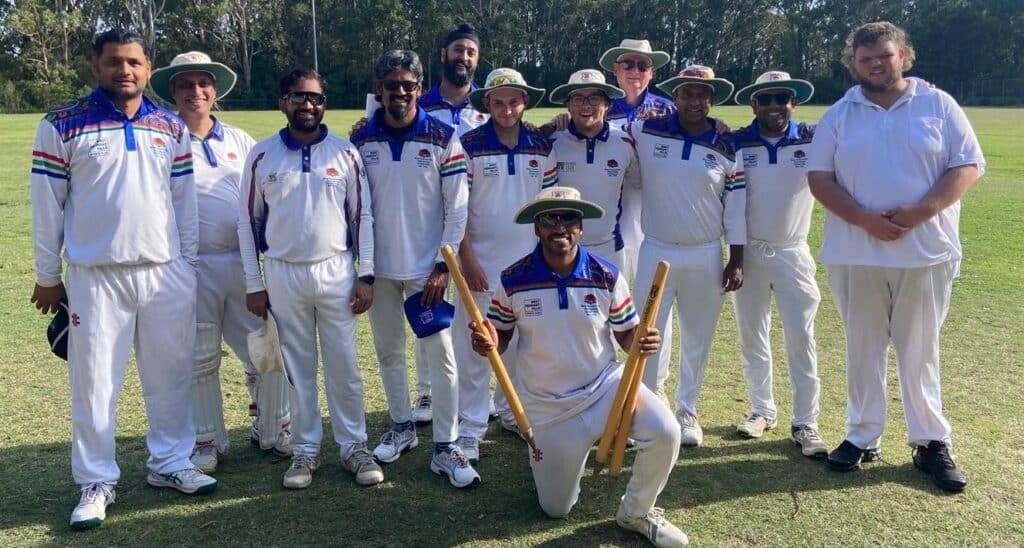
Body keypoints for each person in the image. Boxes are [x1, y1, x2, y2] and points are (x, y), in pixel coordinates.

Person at [29, 29, 217, 531]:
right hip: (96, 275)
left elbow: (184, 204)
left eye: (134, 62)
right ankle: (96, 480)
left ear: (148, 68)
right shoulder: (62, 123)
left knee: (171, 375)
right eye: (114, 62)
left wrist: (187, 265)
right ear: (97, 64)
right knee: (94, 383)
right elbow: (47, 206)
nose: (125, 71)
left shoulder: (169, 126)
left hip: (164, 271)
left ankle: (171, 462)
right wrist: (49, 275)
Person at [807, 22, 982, 492]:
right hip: (855, 252)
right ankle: (862, 436)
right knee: (862, 347)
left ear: (903, 55)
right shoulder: (840, 113)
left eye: (884, 56)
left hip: (925, 251)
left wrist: (922, 212)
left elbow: (967, 165)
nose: (876, 65)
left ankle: (930, 442)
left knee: (919, 350)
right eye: (865, 60)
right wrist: (865, 220)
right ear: (854, 64)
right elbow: (819, 179)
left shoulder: (938, 104)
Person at [470, 187, 687, 548]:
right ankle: (560, 456)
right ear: (537, 227)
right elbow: (500, 338)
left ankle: (636, 511)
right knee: (556, 509)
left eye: (569, 218)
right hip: (549, 407)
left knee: (667, 431)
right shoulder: (512, 279)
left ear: (581, 227)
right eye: (549, 218)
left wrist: (643, 343)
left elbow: (627, 337)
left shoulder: (606, 275)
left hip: (606, 389)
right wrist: (486, 342)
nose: (560, 227)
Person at [238, 67, 382, 489]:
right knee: (299, 369)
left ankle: (354, 446)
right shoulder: (262, 155)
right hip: (283, 273)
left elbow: (362, 215)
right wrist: (254, 282)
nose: (307, 105)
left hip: (335, 270)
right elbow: (248, 222)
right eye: (298, 97)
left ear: (325, 104)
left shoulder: (345, 153)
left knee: (344, 366)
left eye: (315, 98)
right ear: (283, 102)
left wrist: (366, 273)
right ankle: (305, 450)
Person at [150, 51, 293, 475]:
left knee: (266, 349)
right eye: (185, 85)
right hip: (188, 266)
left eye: (203, 84)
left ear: (215, 90)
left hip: (242, 263)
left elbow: (260, 201)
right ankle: (206, 439)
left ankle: (274, 428)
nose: (196, 92)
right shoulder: (162, 138)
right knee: (199, 356)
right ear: (173, 92)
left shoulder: (240, 141)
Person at [351, 50, 478, 488]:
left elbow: (456, 208)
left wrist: (444, 265)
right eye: (392, 85)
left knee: (441, 356)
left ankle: (446, 445)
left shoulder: (445, 137)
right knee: (388, 352)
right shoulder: (362, 140)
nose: (400, 92)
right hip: (380, 270)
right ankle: (403, 426)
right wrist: (364, 269)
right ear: (380, 90)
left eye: (408, 85)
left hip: (429, 272)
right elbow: (356, 207)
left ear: (419, 88)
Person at [628, 65, 745, 447]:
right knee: (647, 333)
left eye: (703, 94)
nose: (695, 100)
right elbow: (602, 126)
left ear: (712, 99)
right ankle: (645, 410)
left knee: (698, 335)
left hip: (706, 252)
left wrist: (736, 259)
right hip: (656, 249)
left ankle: (687, 409)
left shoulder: (727, 145)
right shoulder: (647, 130)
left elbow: (736, 208)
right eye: (687, 93)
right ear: (675, 96)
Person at [454, 68, 558, 462]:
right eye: (498, 102)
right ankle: (470, 427)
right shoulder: (469, 144)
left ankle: (509, 411)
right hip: (480, 265)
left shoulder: (541, 145)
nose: (507, 109)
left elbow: (548, 210)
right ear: (487, 105)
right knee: (476, 347)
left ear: (524, 102)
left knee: (519, 345)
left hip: (526, 268)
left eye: (514, 101)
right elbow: (457, 208)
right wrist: (467, 259)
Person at [729, 71, 826, 457]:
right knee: (753, 336)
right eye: (765, 99)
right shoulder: (736, 141)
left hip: (793, 251)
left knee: (801, 338)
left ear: (793, 102)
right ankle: (761, 409)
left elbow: (857, 129)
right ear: (754, 104)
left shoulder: (812, 138)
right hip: (748, 252)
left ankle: (806, 422)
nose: (774, 106)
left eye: (781, 98)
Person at [548, 69, 639, 271]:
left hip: (610, 249)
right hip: (560, 248)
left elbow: (640, 185)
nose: (586, 105)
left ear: (607, 105)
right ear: (568, 105)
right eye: (578, 98)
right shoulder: (552, 142)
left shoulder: (625, 142)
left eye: (594, 98)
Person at [419, 23, 489, 136]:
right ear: (443, 54)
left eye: (471, 53)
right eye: (458, 50)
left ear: (477, 60)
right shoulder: (419, 106)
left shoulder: (488, 106)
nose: (464, 57)